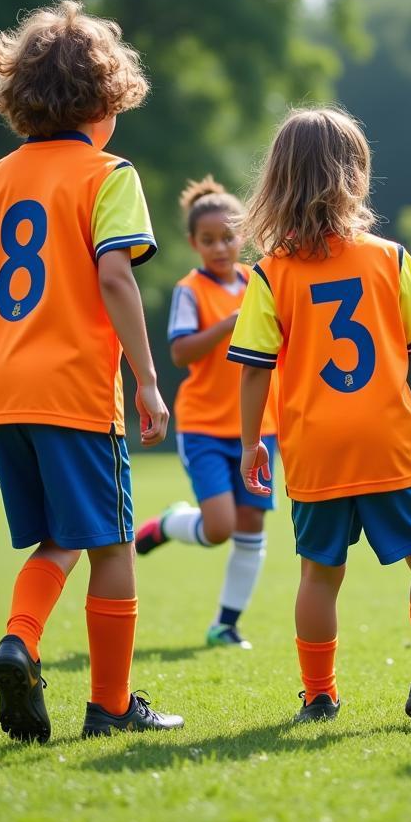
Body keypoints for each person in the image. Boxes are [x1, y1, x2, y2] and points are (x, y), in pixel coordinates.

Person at [0, 0, 184, 741]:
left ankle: (19, 639)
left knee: (59, 536)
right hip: (72, 392)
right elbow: (117, 277)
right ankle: (113, 707)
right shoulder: (108, 173)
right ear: (105, 99)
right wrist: (148, 379)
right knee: (112, 542)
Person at [229, 107, 411, 728]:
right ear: (355, 175)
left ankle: (318, 696)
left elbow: (254, 367)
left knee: (319, 574)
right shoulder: (388, 258)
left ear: (277, 182)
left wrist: (251, 442)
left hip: (313, 447)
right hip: (388, 437)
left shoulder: (270, 272)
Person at [135, 177, 279, 650]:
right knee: (219, 528)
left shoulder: (261, 282)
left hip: (258, 428)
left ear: (245, 235)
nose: (220, 247)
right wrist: (228, 324)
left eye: (228, 237)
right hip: (203, 427)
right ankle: (172, 522)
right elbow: (180, 353)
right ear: (193, 243)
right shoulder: (189, 290)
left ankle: (226, 624)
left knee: (252, 525)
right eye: (208, 240)